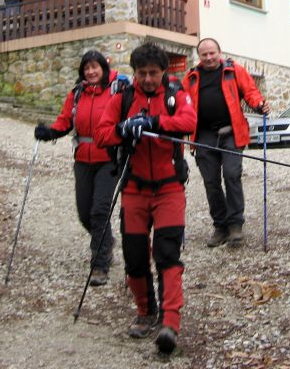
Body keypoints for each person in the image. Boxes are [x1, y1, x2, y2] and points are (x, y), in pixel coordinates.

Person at [95, 42, 196, 356]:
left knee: (167, 252)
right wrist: (125, 129)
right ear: (134, 73)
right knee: (135, 256)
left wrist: (155, 123)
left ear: (164, 71)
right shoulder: (122, 98)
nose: (149, 79)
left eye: (154, 73)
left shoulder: (175, 95)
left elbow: (190, 122)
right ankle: (145, 310)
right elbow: (102, 134)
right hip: (135, 189)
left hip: (169, 188)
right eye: (143, 73)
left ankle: (170, 322)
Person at [34, 50, 122, 286]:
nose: (91, 71)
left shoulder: (118, 91)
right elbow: (66, 121)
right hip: (82, 158)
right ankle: (106, 241)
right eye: (87, 68)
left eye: (95, 67)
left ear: (103, 68)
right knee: (85, 213)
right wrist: (49, 132)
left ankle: (100, 264)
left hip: (109, 158)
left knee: (99, 210)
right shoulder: (77, 93)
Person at [182, 37, 269, 248]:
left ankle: (235, 225)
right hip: (203, 136)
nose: (209, 57)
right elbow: (182, 103)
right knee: (211, 183)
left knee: (232, 175)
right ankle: (220, 226)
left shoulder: (233, 71)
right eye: (204, 54)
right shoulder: (191, 78)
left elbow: (250, 91)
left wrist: (259, 104)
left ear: (219, 52)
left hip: (231, 133)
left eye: (212, 53)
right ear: (199, 56)